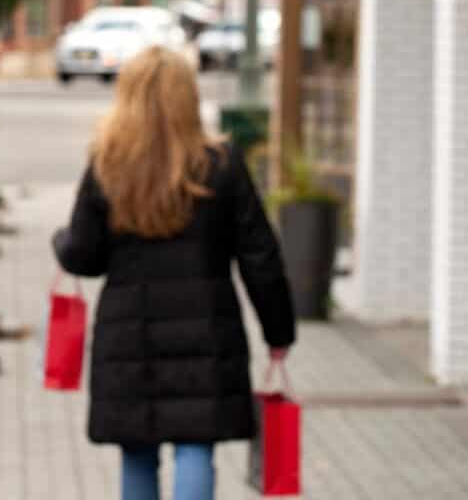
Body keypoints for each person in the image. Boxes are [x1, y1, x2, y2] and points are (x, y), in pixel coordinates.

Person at [53, 46, 295, 500]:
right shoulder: (221, 164)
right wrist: (278, 332)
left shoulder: (109, 163)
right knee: (195, 445)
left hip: (129, 336)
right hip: (207, 334)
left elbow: (85, 256)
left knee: (137, 452)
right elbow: (260, 256)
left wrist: (60, 242)